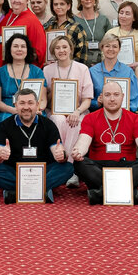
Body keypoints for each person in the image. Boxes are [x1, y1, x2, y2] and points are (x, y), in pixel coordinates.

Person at [71, 81, 138, 205]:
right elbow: (83, 141)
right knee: (79, 163)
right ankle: (126, 192)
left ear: (122, 96)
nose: (112, 99)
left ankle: (99, 194)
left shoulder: (135, 118)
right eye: (107, 95)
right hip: (99, 167)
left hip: (126, 166)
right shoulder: (90, 118)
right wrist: (78, 152)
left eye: (116, 94)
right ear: (101, 97)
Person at [0, 88, 73, 203]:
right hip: (14, 171)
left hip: (43, 172)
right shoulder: (5, 126)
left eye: (30, 103)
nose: (26, 107)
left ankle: (16, 192)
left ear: (37, 105)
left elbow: (59, 151)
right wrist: (1, 154)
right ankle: (40, 191)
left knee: (68, 167)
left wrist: (61, 155)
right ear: (15, 105)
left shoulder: (48, 124)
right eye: (22, 103)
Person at [42, 34, 93, 186]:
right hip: (54, 111)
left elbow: (87, 99)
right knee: (57, 120)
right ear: (53, 51)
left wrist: (77, 111)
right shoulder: (47, 70)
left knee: (75, 122)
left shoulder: (82, 68)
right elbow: (44, 98)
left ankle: (72, 168)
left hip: (78, 110)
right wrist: (52, 94)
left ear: (71, 49)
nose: (61, 50)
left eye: (64, 47)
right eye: (57, 48)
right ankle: (60, 163)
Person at [0, 34, 46, 124]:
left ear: (27, 50)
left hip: (32, 110)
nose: (19, 49)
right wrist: (13, 110)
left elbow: (43, 100)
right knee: (6, 122)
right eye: (15, 46)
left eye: (23, 46)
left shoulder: (37, 72)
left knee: (37, 121)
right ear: (9, 49)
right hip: (8, 111)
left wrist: (35, 109)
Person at [0, 0, 46, 69]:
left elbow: (39, 51)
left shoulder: (33, 21)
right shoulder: (9, 15)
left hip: (19, 69)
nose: (17, 0)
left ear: (27, 0)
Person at [88, 34, 138, 112]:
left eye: (114, 46)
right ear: (102, 48)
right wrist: (97, 103)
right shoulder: (92, 71)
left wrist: (124, 111)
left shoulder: (128, 72)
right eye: (107, 46)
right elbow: (86, 99)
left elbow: (134, 100)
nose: (111, 49)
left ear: (119, 49)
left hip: (123, 114)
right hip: (99, 113)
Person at [41, 0, 88, 65]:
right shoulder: (48, 26)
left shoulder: (76, 28)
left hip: (71, 69)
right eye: (55, 4)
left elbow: (82, 55)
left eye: (62, 4)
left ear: (68, 6)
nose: (58, 7)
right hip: (51, 67)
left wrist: (67, 64)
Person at [73, 0, 110, 66]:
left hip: (102, 63)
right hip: (80, 63)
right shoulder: (73, 20)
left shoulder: (103, 19)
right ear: (79, 0)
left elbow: (111, 42)